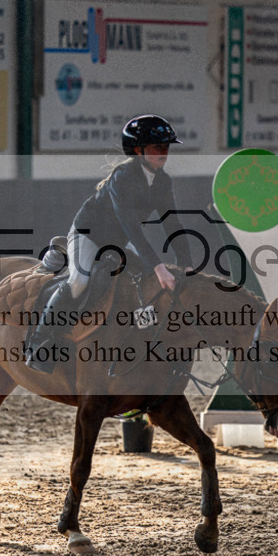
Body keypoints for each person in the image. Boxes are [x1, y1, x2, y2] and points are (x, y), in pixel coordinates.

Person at [26, 114, 193, 374]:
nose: (164, 152)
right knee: (79, 281)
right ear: (138, 151)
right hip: (88, 235)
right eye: (157, 147)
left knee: (142, 282)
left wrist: (187, 266)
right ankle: (39, 343)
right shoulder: (123, 177)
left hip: (119, 241)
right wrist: (160, 267)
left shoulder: (163, 181)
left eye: (167, 147)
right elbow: (131, 226)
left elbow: (172, 224)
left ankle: (137, 345)